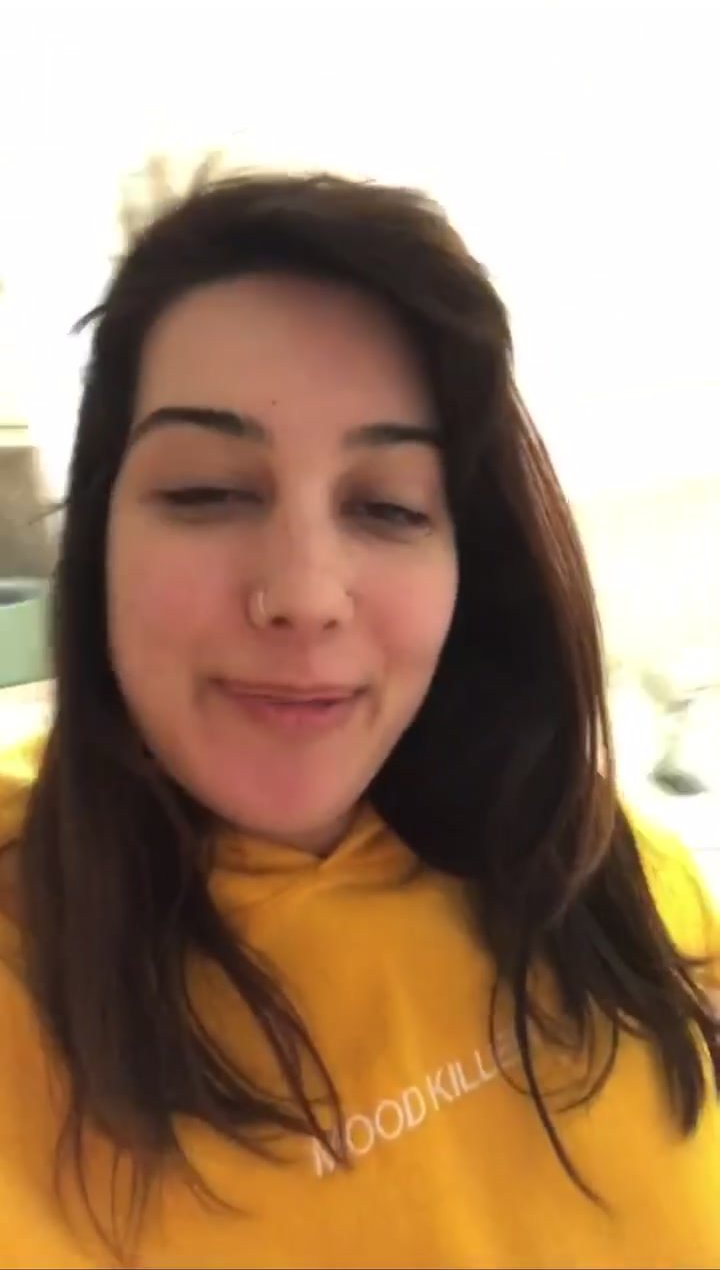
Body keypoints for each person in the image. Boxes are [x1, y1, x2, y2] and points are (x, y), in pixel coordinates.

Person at [0, 171, 717, 1270]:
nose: (304, 593)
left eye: (387, 506)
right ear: (98, 546)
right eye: (205, 493)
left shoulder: (604, 873)